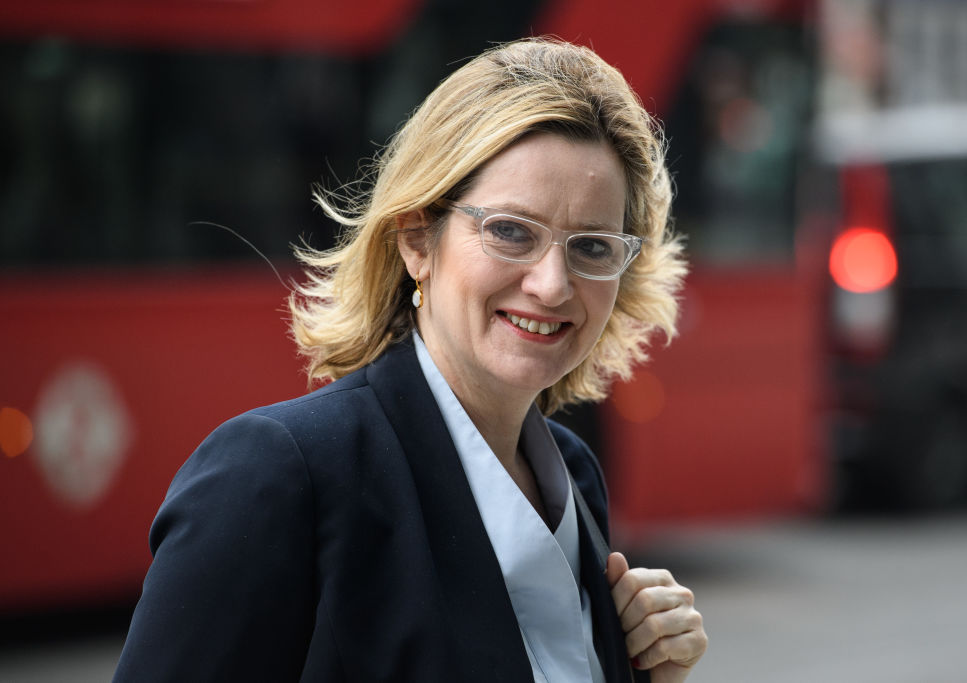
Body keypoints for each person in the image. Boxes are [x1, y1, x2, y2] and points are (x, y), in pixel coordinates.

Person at [113, 37, 706, 683]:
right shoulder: (279, 475)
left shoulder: (572, 474)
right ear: (418, 239)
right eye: (510, 230)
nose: (552, 284)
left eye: (592, 245)